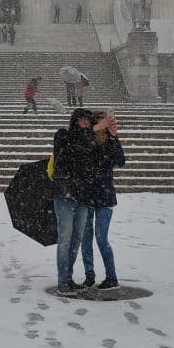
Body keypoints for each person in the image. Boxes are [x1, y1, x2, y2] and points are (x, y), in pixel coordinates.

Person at [50, 108, 95, 296]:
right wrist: (88, 133)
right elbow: (73, 147)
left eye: (88, 121)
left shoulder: (91, 141)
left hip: (83, 196)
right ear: (75, 121)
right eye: (83, 120)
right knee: (65, 239)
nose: (86, 123)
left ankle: (68, 278)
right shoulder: (64, 135)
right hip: (65, 194)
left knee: (76, 239)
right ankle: (62, 281)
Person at [80, 109, 126, 291]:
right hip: (86, 195)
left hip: (105, 197)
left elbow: (120, 161)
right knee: (86, 238)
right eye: (99, 123)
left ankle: (111, 277)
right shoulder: (86, 141)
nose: (102, 127)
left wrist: (114, 137)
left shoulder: (111, 142)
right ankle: (89, 276)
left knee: (101, 238)